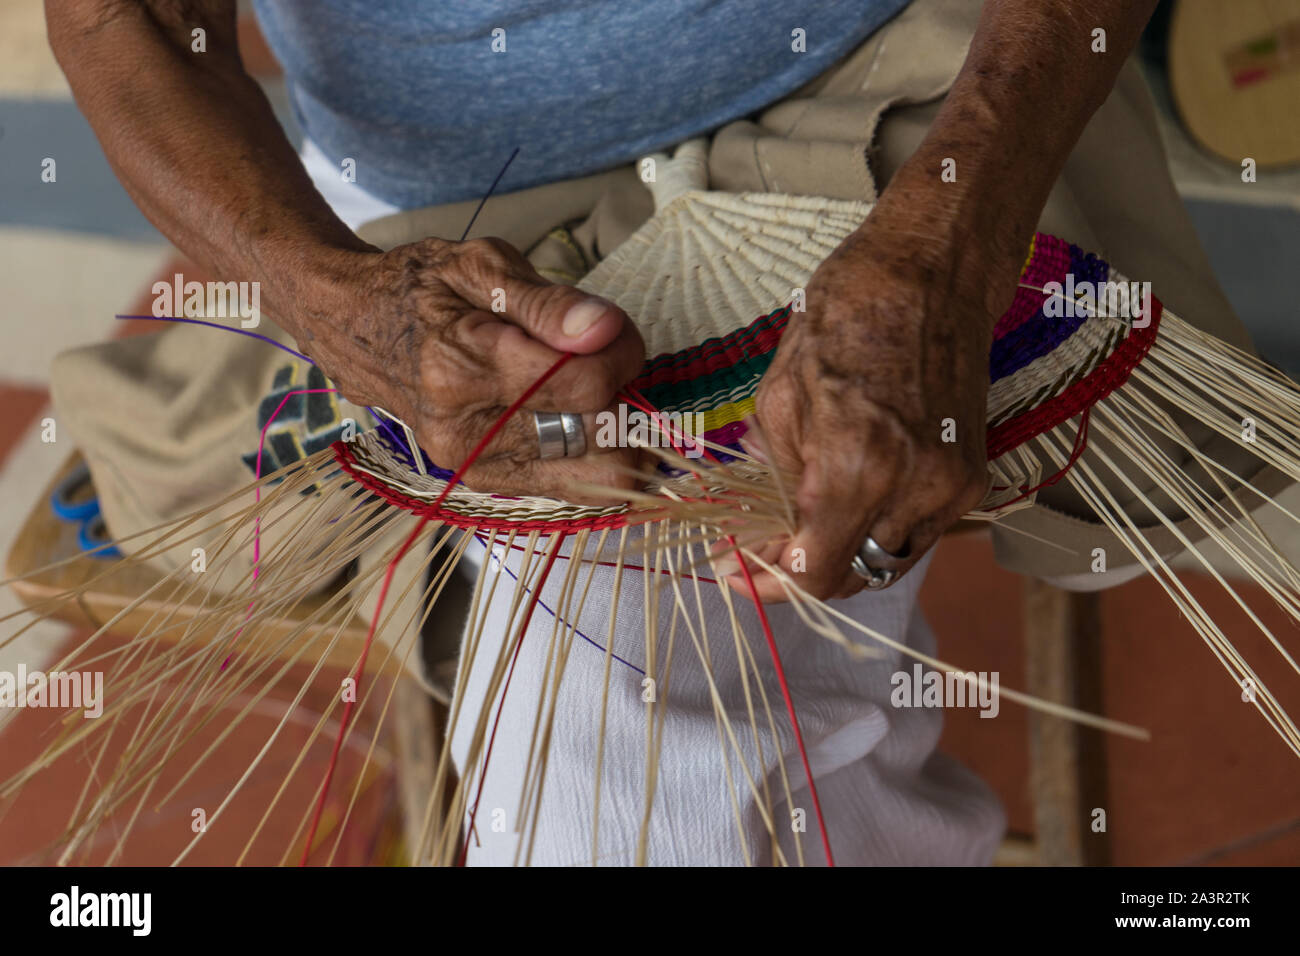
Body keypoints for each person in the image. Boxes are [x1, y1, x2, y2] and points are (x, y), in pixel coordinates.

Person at [47, 0, 1181, 864]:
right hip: (445, 209)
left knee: (614, 785)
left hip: (917, 84)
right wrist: (329, 304)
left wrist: (952, 243)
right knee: (608, 750)